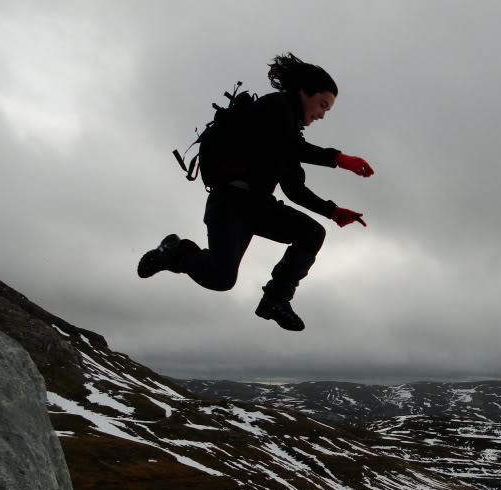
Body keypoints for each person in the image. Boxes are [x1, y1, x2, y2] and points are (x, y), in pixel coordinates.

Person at [137, 53, 374, 331]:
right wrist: (339, 159)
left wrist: (333, 212)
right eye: (322, 105)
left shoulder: (289, 135)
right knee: (221, 279)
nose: (322, 114)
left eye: (327, 110)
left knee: (312, 232)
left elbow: (294, 189)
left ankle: (275, 299)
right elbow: (291, 148)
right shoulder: (274, 107)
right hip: (229, 202)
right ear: (303, 92)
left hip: (258, 206)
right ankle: (175, 253)